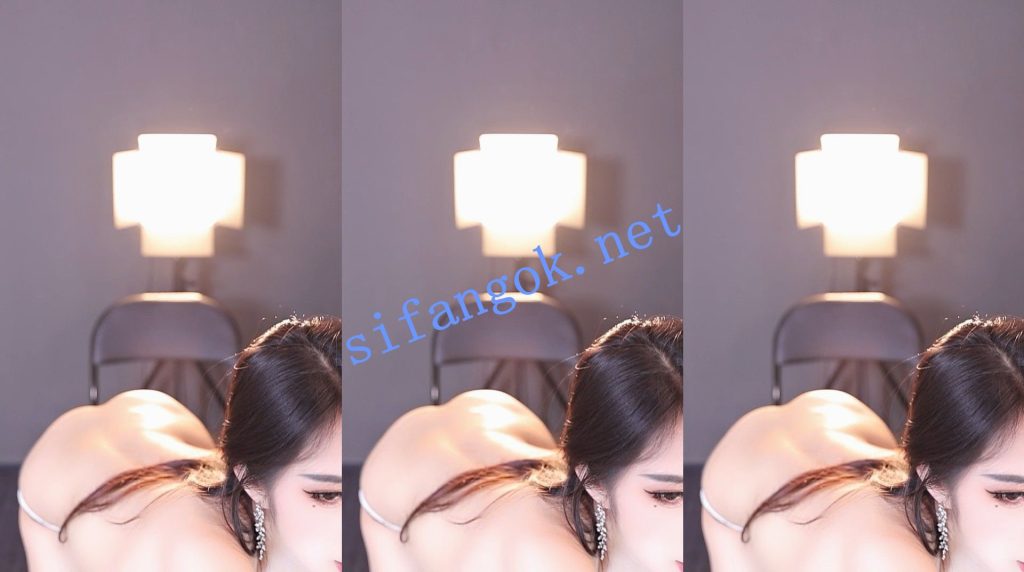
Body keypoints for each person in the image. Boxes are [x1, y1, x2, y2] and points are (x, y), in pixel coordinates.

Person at [359, 315, 684, 572]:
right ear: (593, 483)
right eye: (668, 495)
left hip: (501, 420)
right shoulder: (543, 558)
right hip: (401, 475)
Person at [18, 315, 343, 572]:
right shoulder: (201, 559)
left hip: (161, 420)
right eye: (326, 495)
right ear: (252, 482)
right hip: (62, 471)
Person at [701, 315, 1024, 572]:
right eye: (1010, 495)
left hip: (844, 421)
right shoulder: (882, 559)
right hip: (745, 473)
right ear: (935, 482)